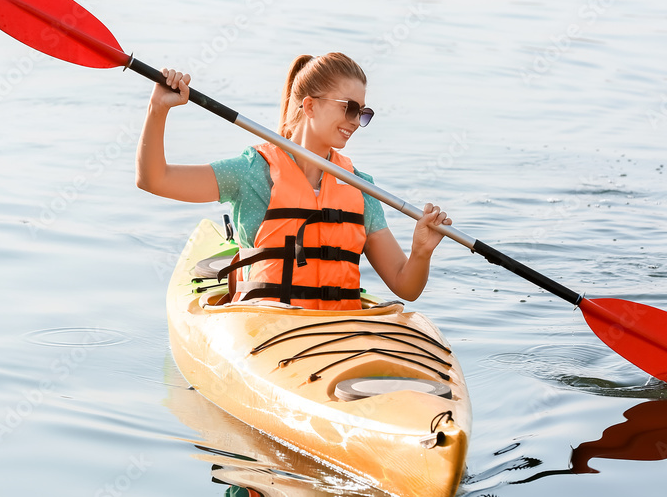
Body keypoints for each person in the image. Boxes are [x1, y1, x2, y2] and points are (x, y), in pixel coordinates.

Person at [136, 52, 451, 309]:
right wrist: (157, 109)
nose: (355, 122)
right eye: (349, 109)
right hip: (262, 328)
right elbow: (154, 179)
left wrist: (421, 251)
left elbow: (404, 285)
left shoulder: (360, 187)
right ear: (310, 105)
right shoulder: (252, 173)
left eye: (362, 113)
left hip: (338, 332)